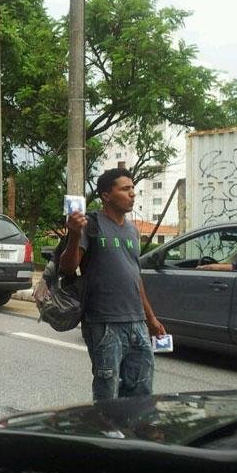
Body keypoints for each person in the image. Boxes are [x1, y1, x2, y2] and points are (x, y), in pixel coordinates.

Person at [60, 167, 166, 402]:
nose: (132, 194)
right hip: (104, 322)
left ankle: (132, 435)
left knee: (141, 390)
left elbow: (135, 276)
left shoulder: (132, 231)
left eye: (133, 189)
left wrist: (150, 318)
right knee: (107, 393)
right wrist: (75, 234)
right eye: (125, 189)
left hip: (137, 322)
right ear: (106, 196)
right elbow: (67, 267)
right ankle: (106, 435)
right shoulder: (90, 224)